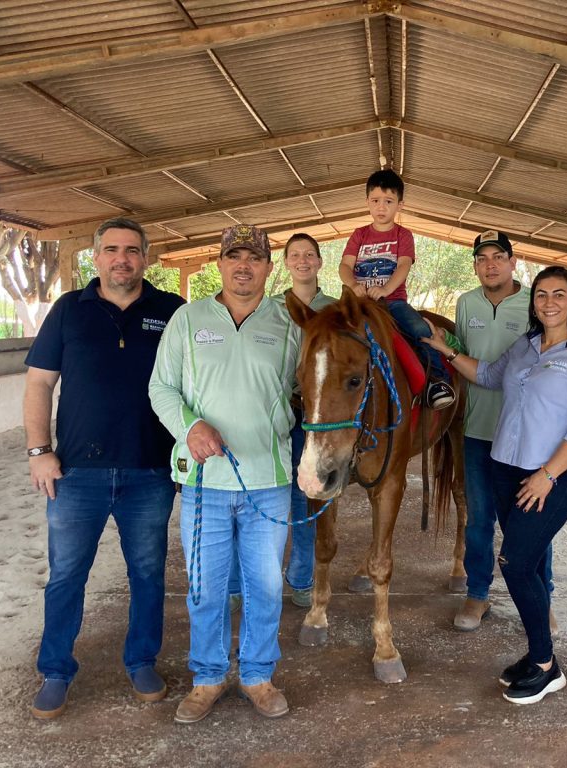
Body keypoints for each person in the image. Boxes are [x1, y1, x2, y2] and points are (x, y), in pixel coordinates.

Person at [425, 265, 567, 705]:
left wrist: (547, 475)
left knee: (515, 562)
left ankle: (546, 666)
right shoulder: (524, 346)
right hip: (505, 468)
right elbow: (488, 376)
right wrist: (444, 349)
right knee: (524, 560)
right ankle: (537, 656)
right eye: (542, 294)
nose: (549, 302)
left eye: (559, 294)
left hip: (551, 476)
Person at [23, 217, 184, 719]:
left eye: (132, 250)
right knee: (67, 575)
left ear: (146, 258)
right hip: (76, 475)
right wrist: (38, 450)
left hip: (150, 472)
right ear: (95, 257)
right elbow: (39, 384)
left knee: (148, 573)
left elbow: (196, 382)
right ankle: (55, 670)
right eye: (112, 249)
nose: (122, 259)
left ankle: (141, 661)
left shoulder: (172, 311)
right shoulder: (69, 309)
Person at [149, 224, 300, 724]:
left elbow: (314, 385)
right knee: (205, 588)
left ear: (269, 268)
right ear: (218, 264)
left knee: (266, 588)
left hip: (268, 480)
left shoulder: (289, 323)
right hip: (203, 482)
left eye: (254, 258)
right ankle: (209, 677)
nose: (243, 266)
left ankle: (257, 676)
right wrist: (190, 426)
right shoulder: (188, 319)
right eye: (234, 257)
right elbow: (161, 387)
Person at [451, 230, 554, 632]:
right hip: (477, 430)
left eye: (498, 257)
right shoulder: (466, 303)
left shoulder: (534, 304)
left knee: (531, 520)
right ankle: (478, 593)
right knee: (479, 520)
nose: (490, 265)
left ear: (513, 262)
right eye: (482, 259)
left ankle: (542, 597)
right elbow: (461, 356)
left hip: (527, 435)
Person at [228, 232, 336, 609]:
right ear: (285, 263)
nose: (303, 260)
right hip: (272, 411)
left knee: (305, 499)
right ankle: (242, 582)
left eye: (309, 254)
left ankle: (302, 578)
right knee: (253, 496)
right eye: (295, 255)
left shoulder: (334, 308)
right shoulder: (268, 306)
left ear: (319, 261)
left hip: (314, 418)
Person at [339, 168, 455, 410]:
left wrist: (385, 289)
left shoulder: (403, 235)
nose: (381, 207)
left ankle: (437, 379)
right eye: (375, 201)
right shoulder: (359, 234)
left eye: (388, 201)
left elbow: (403, 265)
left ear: (400, 205)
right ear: (367, 202)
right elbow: (345, 266)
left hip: (393, 302)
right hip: (360, 304)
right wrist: (353, 285)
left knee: (419, 328)